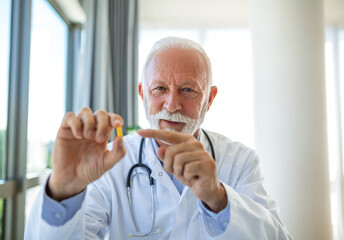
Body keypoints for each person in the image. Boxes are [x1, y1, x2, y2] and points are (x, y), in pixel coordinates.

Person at [25, 37, 292, 239]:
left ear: (209, 99)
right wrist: (63, 192)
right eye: (159, 89)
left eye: (188, 89)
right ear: (142, 94)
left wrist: (219, 198)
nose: (172, 104)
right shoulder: (108, 161)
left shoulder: (240, 161)